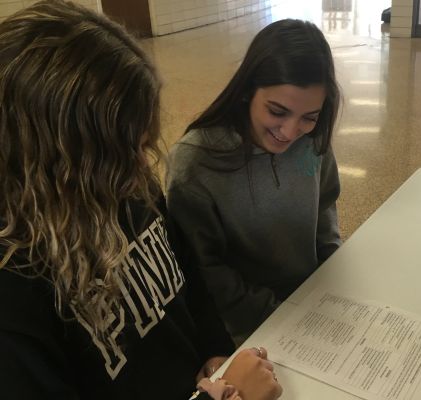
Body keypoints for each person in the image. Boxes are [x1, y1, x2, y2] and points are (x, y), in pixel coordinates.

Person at [0, 2, 282, 400]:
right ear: (49, 161)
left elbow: (186, 278)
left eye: (140, 144)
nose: (140, 166)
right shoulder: (16, 289)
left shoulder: (123, 184)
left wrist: (216, 351)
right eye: (117, 153)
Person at [166, 19, 342, 344]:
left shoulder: (313, 138)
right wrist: (280, 315)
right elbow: (205, 270)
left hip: (312, 305)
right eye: (277, 111)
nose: (290, 132)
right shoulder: (196, 161)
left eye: (309, 117)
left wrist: (332, 266)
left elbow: (326, 204)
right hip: (246, 328)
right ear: (248, 90)